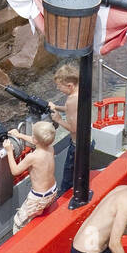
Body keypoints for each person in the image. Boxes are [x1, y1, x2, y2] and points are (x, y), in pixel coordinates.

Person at [6, 120, 58, 231]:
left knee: (18, 223)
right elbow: (37, 141)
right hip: (52, 192)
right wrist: (19, 135)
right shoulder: (50, 148)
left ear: (35, 139)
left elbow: (15, 171)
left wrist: (9, 151)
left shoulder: (32, 157)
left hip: (38, 198)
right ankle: (38, 212)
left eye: (33, 136)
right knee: (38, 212)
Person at [49, 62, 79, 193]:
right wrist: (56, 107)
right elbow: (71, 110)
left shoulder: (72, 100)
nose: (58, 89)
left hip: (76, 145)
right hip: (87, 140)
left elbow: (74, 128)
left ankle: (66, 198)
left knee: (68, 177)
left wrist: (58, 120)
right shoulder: (80, 93)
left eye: (59, 87)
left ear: (69, 85)